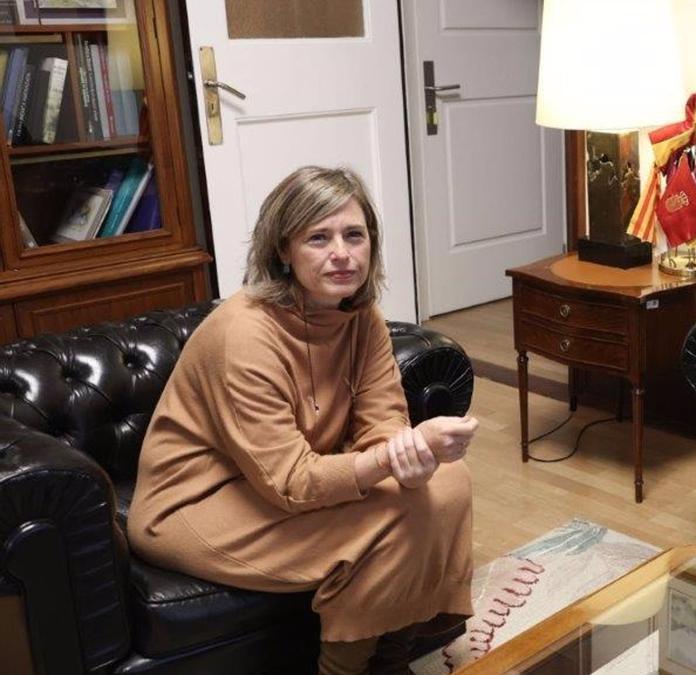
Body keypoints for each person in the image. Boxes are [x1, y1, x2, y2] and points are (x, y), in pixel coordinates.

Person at [128, 165, 480, 675]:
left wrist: (412, 459)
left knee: (448, 483)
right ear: (283, 251)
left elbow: (382, 420)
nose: (342, 252)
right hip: (198, 502)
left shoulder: (361, 318)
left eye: (354, 235)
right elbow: (289, 481)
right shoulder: (244, 334)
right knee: (398, 519)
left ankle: (390, 659)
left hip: (286, 480)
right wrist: (388, 459)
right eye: (319, 237)